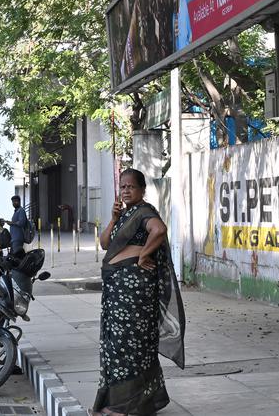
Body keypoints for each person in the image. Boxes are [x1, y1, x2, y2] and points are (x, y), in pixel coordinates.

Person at [94, 169, 185, 416]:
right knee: (116, 345)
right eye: (122, 187)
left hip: (134, 292)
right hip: (116, 290)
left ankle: (125, 407)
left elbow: (159, 230)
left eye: (131, 187)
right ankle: (137, 403)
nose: (125, 191)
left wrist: (144, 255)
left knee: (129, 346)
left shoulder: (145, 212)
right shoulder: (125, 215)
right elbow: (104, 243)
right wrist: (113, 219)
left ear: (142, 190)